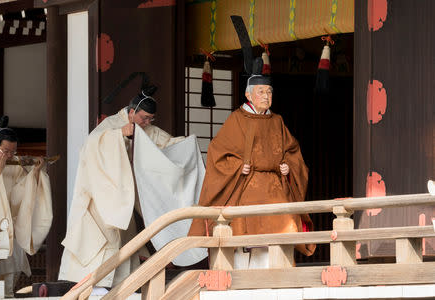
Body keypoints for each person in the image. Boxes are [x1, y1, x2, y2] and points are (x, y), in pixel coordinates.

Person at [188, 16, 315, 268]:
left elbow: (292, 151)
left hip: (275, 188)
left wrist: (289, 167)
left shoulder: (277, 120)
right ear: (248, 94)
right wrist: (238, 167)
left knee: (282, 230)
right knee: (243, 234)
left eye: (269, 92)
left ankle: (278, 276)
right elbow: (217, 153)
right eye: (261, 92)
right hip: (245, 186)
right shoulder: (237, 120)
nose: (266, 96)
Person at [58, 82, 206, 289]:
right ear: (132, 112)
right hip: (102, 200)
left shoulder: (148, 130)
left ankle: (120, 287)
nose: (147, 122)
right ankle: (90, 287)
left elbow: (168, 145)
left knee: (125, 246)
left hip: (123, 203)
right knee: (100, 243)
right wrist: (119, 135)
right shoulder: (110, 125)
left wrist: (187, 144)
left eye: (150, 119)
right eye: (144, 117)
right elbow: (92, 146)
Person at [0, 122, 52, 297]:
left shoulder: (14, 164)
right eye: (5, 151)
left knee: (10, 273)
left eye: (13, 151)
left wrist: (34, 173)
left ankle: (7, 295)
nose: (9, 155)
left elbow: (19, 196)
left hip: (9, 227)